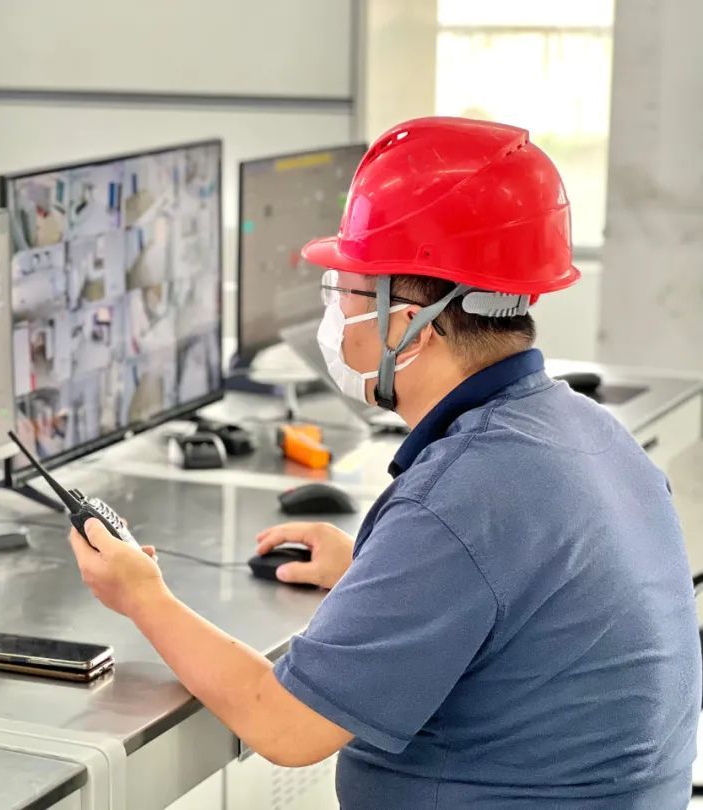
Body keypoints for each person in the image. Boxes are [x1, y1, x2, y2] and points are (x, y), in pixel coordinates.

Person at [68, 117, 701, 807]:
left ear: (408, 322)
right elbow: (521, 605)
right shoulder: (587, 430)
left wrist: (142, 596)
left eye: (346, 290)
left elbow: (285, 726)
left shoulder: (461, 499)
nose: (334, 314)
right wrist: (373, 576)